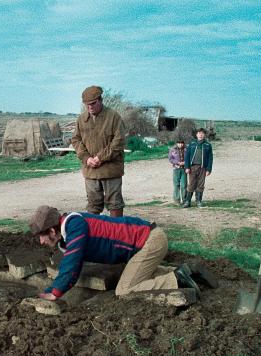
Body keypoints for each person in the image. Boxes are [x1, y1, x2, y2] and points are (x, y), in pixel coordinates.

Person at [29, 205, 197, 300]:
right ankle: (186, 272)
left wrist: (55, 292)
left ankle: (176, 279)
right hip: (146, 242)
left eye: (41, 236)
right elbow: (75, 267)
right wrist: (52, 290)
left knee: (124, 290)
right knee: (136, 274)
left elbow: (71, 262)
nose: (41, 242)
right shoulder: (69, 234)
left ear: (51, 230)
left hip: (150, 241)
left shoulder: (75, 224)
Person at [70, 85, 126, 217]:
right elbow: (76, 140)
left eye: (93, 104)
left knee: (115, 204)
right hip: (91, 171)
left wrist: (100, 157)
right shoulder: (81, 119)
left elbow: (119, 142)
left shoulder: (113, 117)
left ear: (101, 100)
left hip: (111, 170)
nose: (89, 107)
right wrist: (86, 158)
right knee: (93, 206)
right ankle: (95, 235)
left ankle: (116, 233)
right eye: (86, 105)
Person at [183, 128, 213, 208]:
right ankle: (187, 201)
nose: (200, 134)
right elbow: (187, 156)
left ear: (204, 135)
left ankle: (198, 201)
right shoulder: (192, 143)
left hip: (203, 168)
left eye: (202, 133)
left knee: (200, 184)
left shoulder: (207, 145)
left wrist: (209, 169)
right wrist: (187, 167)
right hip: (192, 167)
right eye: (199, 133)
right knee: (191, 184)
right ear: (196, 134)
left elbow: (210, 158)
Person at [168, 139, 187, 204]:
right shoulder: (172, 149)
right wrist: (177, 162)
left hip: (184, 169)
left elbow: (189, 157)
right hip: (176, 169)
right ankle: (177, 200)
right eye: (179, 143)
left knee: (184, 185)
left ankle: (184, 200)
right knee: (176, 185)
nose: (181, 144)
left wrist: (185, 162)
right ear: (177, 143)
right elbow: (170, 159)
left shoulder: (186, 149)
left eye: (182, 143)